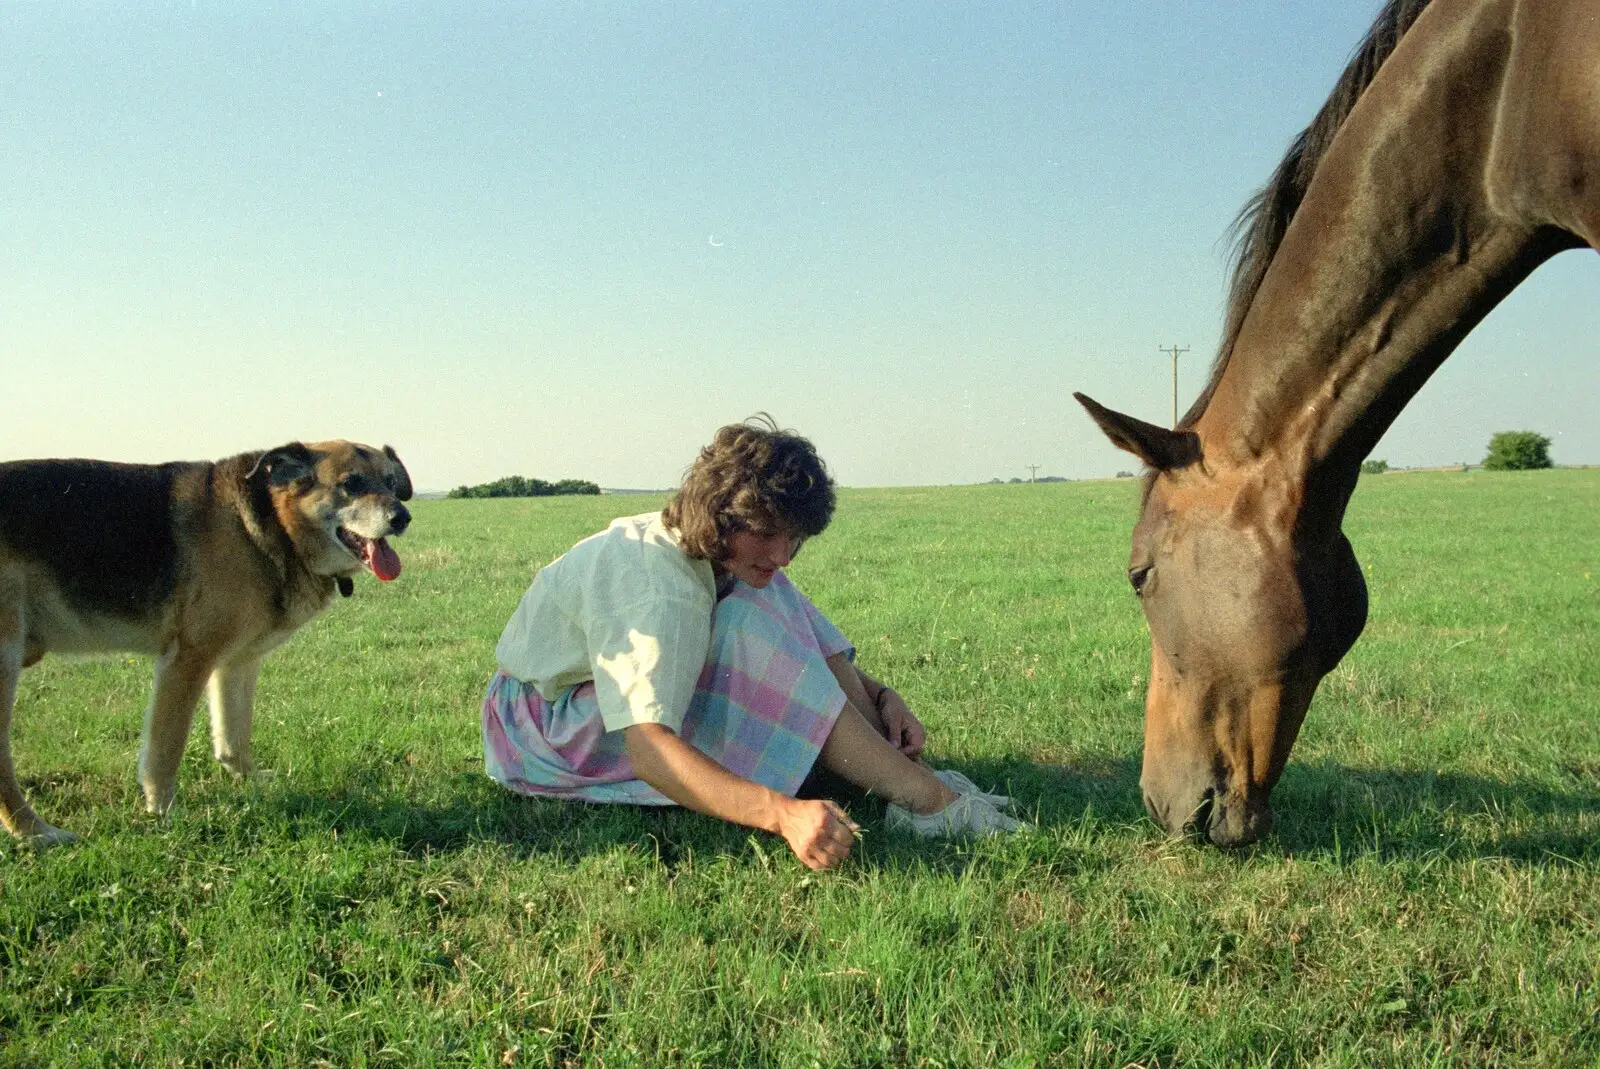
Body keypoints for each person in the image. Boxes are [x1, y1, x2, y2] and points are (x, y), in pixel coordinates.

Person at [482, 417, 1023, 871]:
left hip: (589, 714)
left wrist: (882, 696)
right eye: (767, 534)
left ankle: (907, 783)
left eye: (795, 539)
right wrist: (781, 814)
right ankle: (925, 800)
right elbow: (648, 750)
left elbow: (812, 639)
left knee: (765, 593)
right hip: (542, 734)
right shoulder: (656, 592)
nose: (784, 553)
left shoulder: (715, 557)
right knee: (749, 620)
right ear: (719, 517)